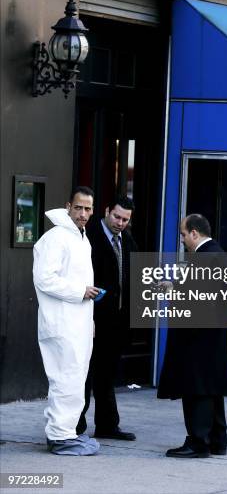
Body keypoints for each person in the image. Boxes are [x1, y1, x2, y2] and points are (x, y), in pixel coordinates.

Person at [158, 214, 227, 458]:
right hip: (210, 335)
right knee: (211, 388)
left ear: (194, 233)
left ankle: (198, 442)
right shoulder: (216, 254)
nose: (182, 240)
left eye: (183, 234)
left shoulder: (205, 258)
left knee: (197, 389)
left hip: (198, 336)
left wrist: (174, 291)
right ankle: (216, 439)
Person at [33, 186, 100, 456]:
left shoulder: (81, 238)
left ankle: (66, 432)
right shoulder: (56, 237)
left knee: (74, 379)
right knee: (66, 378)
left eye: (88, 209)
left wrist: (89, 319)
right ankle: (60, 435)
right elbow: (44, 278)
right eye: (78, 208)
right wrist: (80, 292)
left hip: (77, 322)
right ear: (68, 206)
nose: (83, 214)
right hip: (62, 322)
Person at [76, 195, 137, 441]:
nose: (120, 223)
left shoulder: (127, 240)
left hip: (116, 321)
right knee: (85, 376)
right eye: (117, 216)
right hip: (90, 318)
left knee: (107, 374)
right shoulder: (88, 237)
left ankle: (107, 425)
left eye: (125, 219)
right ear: (106, 210)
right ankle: (75, 426)